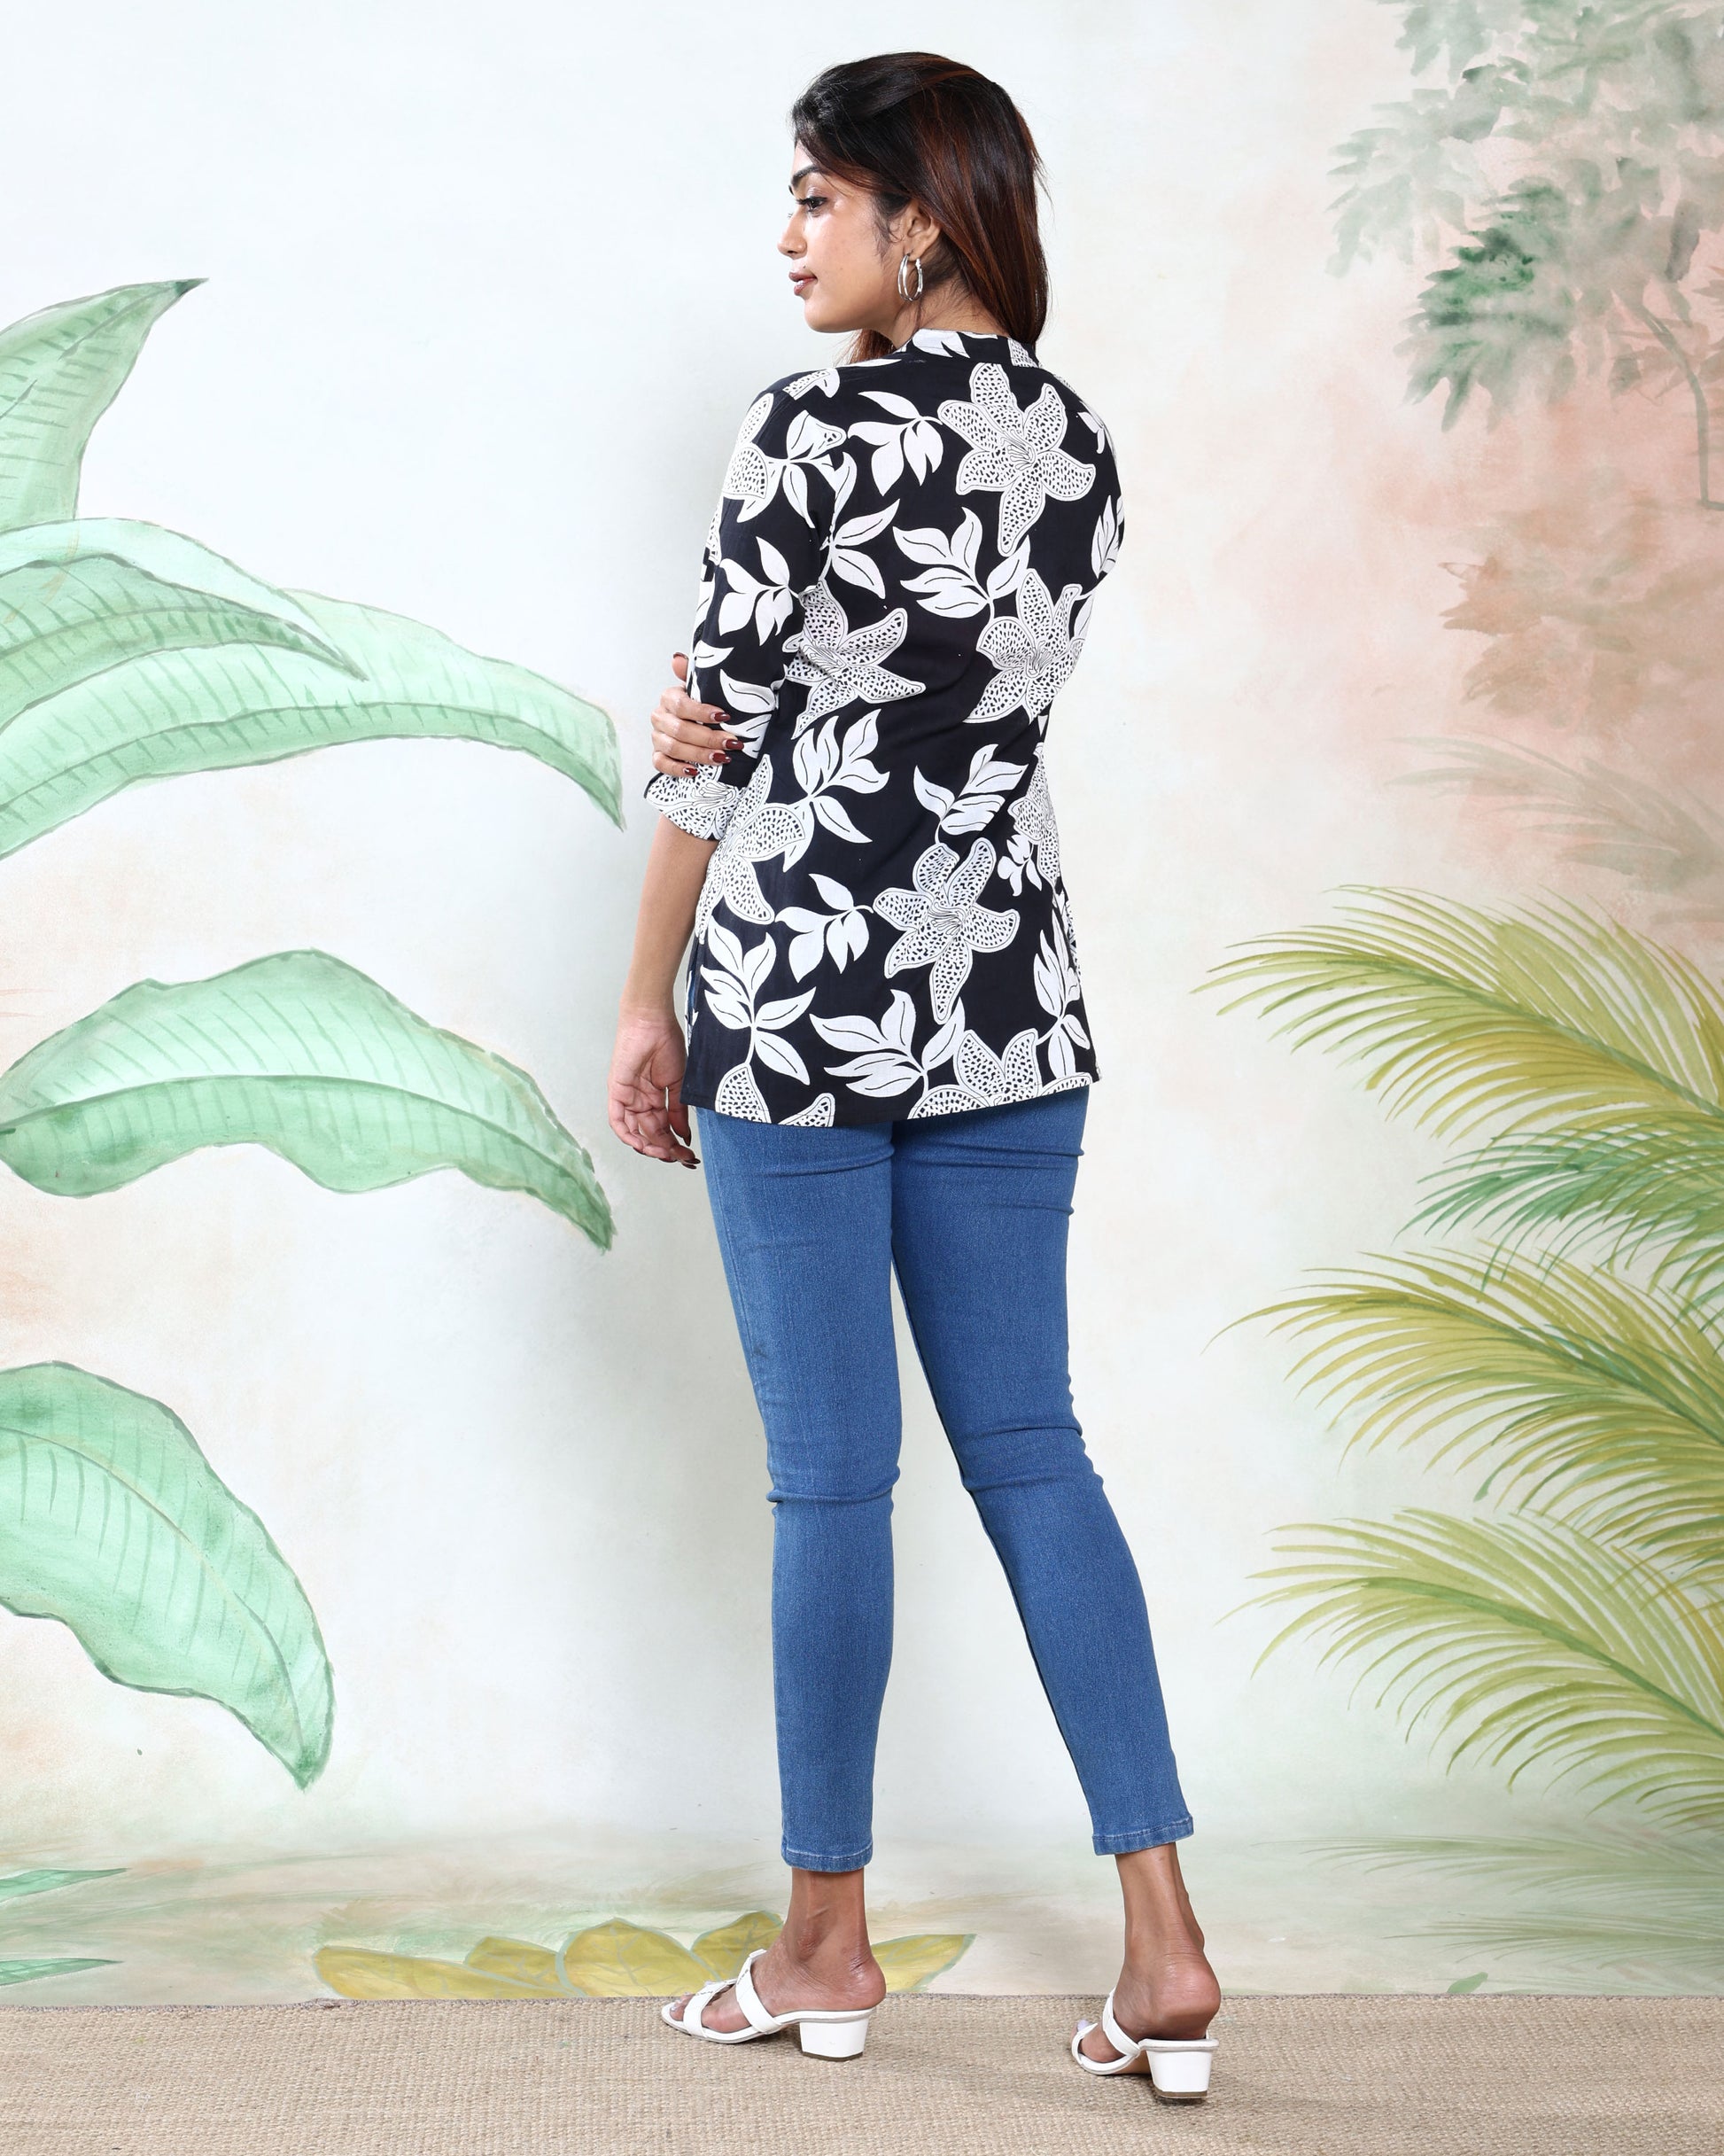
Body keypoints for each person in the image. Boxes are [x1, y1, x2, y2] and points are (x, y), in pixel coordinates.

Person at [607, 51, 1221, 2098]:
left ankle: (823, 1940)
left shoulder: (805, 426)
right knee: (1035, 1452)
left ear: (920, 220)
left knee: (831, 1483)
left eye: (819, 196)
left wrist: (642, 998)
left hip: (799, 1002)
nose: (790, 236)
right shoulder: (1079, 443)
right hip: (1007, 1000)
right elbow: (958, 709)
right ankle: (1164, 1938)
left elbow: (718, 746)